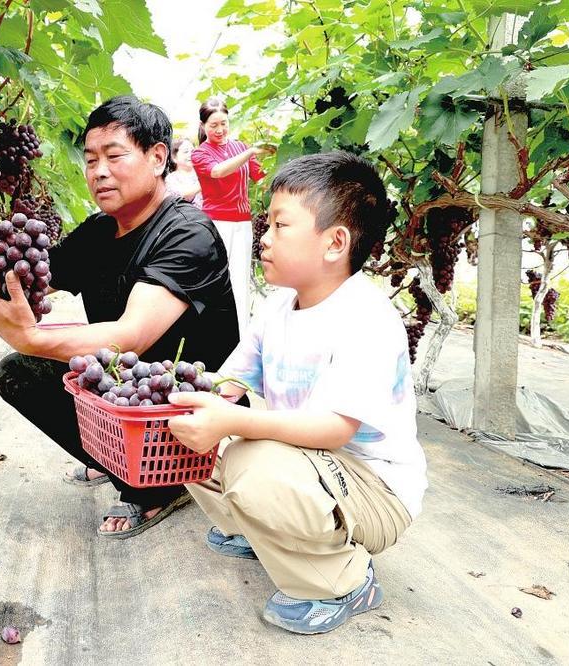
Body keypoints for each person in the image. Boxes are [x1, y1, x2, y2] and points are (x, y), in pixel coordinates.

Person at [0, 95, 240, 539]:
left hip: (182, 398)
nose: (99, 171)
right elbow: (35, 279)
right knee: (19, 374)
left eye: (114, 156)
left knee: (34, 359)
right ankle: (113, 456)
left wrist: (29, 336)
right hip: (126, 384)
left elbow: (131, 337)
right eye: (90, 160)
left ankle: (159, 486)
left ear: (158, 157)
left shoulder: (188, 232)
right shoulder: (100, 231)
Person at [166, 152, 427, 634]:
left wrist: (234, 423)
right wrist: (180, 399)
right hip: (313, 470)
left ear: (335, 243)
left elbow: (332, 429)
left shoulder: (365, 317)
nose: (263, 237)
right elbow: (232, 383)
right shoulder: (280, 306)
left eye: (280, 226)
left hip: (375, 492)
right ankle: (266, 530)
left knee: (250, 460)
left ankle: (345, 581)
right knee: (180, 438)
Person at [191, 97, 274, 337]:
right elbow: (218, 171)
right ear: (203, 125)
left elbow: (262, 178)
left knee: (240, 279)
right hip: (216, 224)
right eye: (213, 125)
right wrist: (249, 153)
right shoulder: (200, 154)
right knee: (217, 279)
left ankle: (240, 337)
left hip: (242, 223)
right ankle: (212, 334)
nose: (219, 130)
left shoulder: (240, 147)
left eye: (224, 123)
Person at [165, 137, 202, 208]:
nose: (190, 154)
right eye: (186, 151)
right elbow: (182, 196)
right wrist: (204, 182)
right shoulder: (170, 179)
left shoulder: (202, 173)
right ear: (174, 157)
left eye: (192, 151)